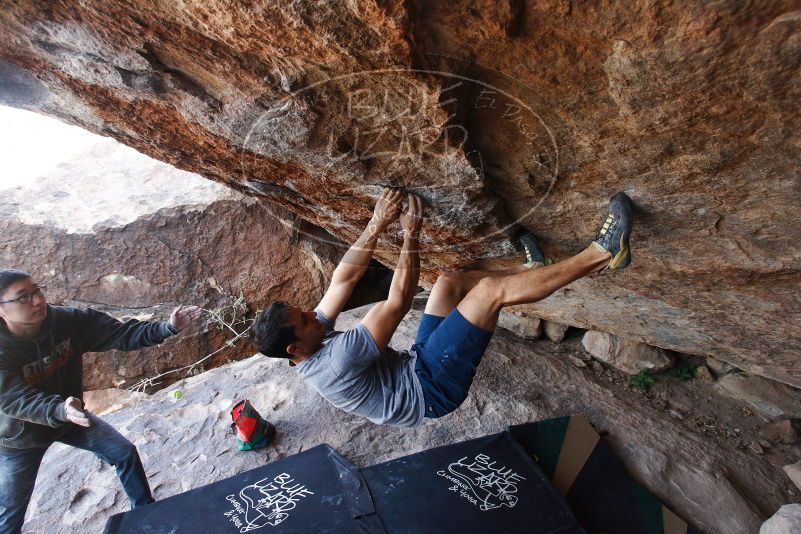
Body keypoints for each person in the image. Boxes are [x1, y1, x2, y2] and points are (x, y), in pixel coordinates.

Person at [251, 187, 632, 427]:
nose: (314, 316)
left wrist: (376, 222)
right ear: (293, 348)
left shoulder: (309, 340)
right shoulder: (333, 365)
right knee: (486, 293)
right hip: (429, 391)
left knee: (449, 282)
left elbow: (342, 282)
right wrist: (410, 233)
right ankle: (601, 254)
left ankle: (530, 269)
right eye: (304, 320)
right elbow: (398, 301)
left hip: (416, 365)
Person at [0, 269, 202, 534]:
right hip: (21, 438)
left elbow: (120, 333)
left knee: (124, 453)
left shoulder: (66, 321)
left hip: (72, 418)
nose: (38, 300)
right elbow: (13, 399)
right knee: (10, 515)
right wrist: (58, 409)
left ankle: (147, 516)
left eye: (37, 290)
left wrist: (167, 328)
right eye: (23, 297)